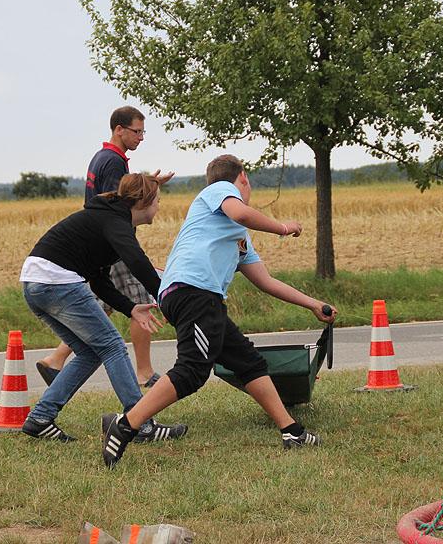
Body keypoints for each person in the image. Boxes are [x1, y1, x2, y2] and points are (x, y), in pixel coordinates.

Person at [101, 154, 336, 468]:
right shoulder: (218, 190)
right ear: (242, 178)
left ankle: (291, 430)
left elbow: (265, 281)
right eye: (245, 184)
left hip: (200, 298)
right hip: (193, 291)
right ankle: (126, 424)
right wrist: (282, 228)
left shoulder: (238, 237)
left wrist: (313, 305)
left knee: (249, 363)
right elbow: (240, 212)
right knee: (192, 371)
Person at [20, 172, 186, 442]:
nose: (160, 205)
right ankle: (141, 423)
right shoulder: (116, 221)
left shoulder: (109, 219)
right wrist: (168, 297)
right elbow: (137, 261)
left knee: (89, 352)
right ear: (143, 202)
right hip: (56, 282)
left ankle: (40, 418)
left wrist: (131, 308)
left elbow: (99, 280)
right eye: (158, 199)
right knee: (112, 346)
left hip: (34, 283)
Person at [36, 105, 174, 389]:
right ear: (119, 129)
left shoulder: (102, 157)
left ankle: (56, 358)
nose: (141, 137)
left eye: (143, 132)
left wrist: (150, 183)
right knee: (140, 300)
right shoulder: (113, 161)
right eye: (137, 131)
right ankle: (144, 372)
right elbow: (120, 202)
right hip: (113, 240)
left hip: (105, 239)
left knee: (106, 299)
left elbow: (121, 194)